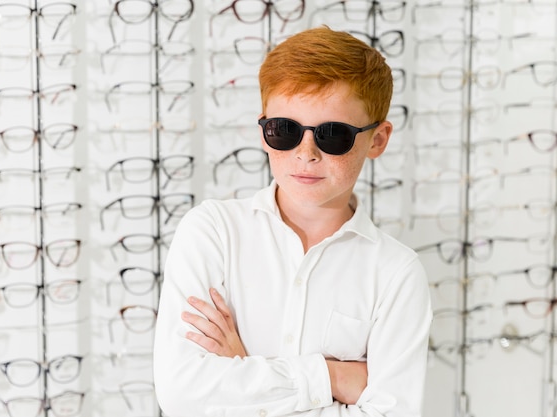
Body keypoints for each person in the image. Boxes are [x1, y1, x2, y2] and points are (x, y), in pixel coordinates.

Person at [153, 26, 432, 417]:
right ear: (264, 129)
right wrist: (332, 378)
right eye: (284, 131)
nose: (306, 153)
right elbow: (183, 396)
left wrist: (243, 369)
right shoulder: (212, 232)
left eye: (333, 135)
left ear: (378, 140)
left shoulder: (396, 274)